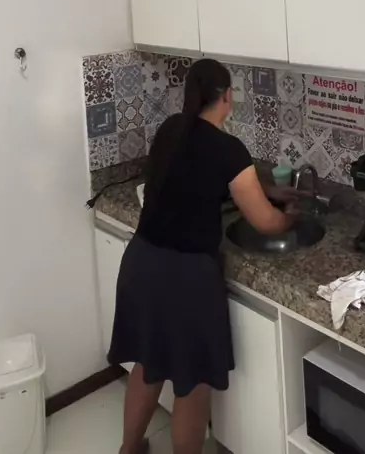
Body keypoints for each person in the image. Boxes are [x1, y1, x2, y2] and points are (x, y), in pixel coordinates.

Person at [109, 58, 302, 454]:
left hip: (141, 264)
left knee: (148, 365)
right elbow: (265, 222)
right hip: (185, 278)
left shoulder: (171, 129)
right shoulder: (227, 149)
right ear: (228, 97)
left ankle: (128, 449)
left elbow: (206, 175)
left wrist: (265, 188)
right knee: (192, 382)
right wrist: (290, 217)